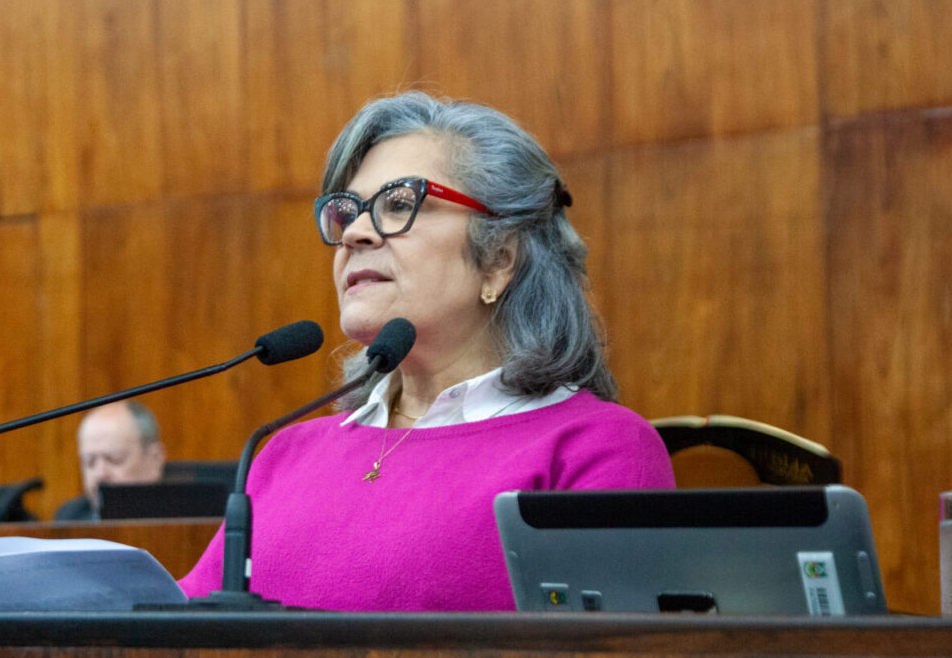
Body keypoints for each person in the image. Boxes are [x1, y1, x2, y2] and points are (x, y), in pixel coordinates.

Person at [179, 91, 675, 610]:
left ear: (499, 259)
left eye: (398, 204)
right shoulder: (282, 454)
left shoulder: (596, 451)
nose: (356, 233)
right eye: (347, 211)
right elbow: (179, 633)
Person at [54, 400, 167, 521]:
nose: (101, 474)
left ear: (154, 459)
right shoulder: (70, 518)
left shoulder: (182, 518)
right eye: (90, 462)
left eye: (114, 459)